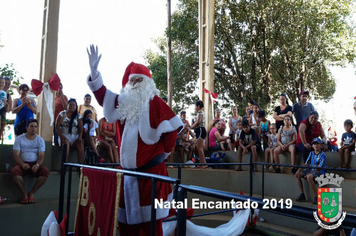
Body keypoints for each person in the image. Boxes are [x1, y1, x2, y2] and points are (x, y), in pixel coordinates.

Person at [86, 45, 183, 236]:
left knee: (151, 227)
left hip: (151, 175)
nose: (136, 83)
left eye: (140, 80)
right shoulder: (123, 102)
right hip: (126, 176)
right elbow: (103, 95)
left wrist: (163, 153)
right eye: (133, 80)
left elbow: (171, 132)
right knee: (125, 226)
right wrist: (94, 73)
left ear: (147, 83)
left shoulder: (156, 102)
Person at [12, 118, 49, 204]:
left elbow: (41, 156)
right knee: (15, 173)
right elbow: (16, 155)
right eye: (31, 126)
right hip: (22, 163)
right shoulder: (19, 139)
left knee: (45, 172)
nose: (33, 128)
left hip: (35, 164)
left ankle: (32, 193)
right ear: (27, 128)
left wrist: (37, 165)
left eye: (35, 126)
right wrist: (22, 164)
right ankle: (24, 193)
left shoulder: (40, 140)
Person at [295, 138, 326, 204]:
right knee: (298, 174)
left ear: (320, 145)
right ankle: (302, 194)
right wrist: (299, 170)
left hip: (320, 172)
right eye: (314, 144)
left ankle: (316, 197)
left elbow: (319, 168)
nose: (315, 145)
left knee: (309, 176)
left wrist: (309, 173)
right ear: (312, 145)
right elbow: (306, 163)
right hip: (312, 170)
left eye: (317, 143)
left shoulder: (322, 155)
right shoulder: (311, 153)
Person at [190, 100, 208, 168]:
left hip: (200, 130)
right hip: (199, 130)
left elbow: (198, 122)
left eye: (195, 106)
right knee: (198, 147)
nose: (195, 108)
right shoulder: (200, 113)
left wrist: (192, 126)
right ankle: (201, 163)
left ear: (198, 106)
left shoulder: (200, 112)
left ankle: (204, 163)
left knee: (200, 148)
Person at [1, 77, 13, 141]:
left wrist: (6, 104)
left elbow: (8, 110)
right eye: (6, 83)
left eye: (9, 84)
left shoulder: (8, 96)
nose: (7, 85)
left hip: (2, 119)